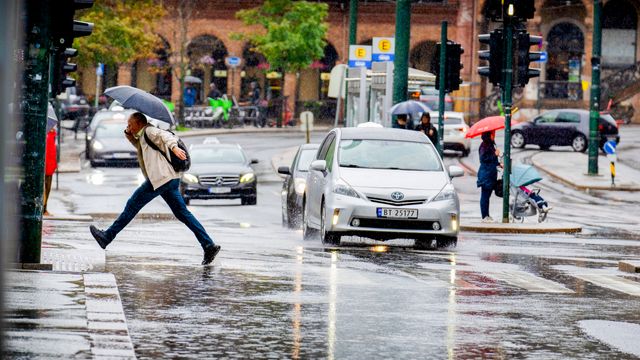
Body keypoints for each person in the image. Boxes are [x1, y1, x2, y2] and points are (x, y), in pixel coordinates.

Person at [89, 112, 221, 265]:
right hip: (170, 179)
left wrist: (175, 148)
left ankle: (107, 237)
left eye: (130, 124)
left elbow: (166, 137)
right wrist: (129, 134)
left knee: (132, 205)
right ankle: (208, 245)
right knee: (183, 214)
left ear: (139, 123)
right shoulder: (144, 135)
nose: (128, 126)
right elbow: (140, 146)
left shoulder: (150, 131)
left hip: (160, 179)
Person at [477, 131, 501, 223]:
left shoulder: (490, 145)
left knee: (487, 196)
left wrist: (499, 164)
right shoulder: (484, 146)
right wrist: (494, 154)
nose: (494, 135)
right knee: (485, 196)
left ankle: (487, 215)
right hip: (486, 174)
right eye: (492, 134)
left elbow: (491, 160)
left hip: (490, 174)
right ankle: (484, 216)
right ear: (488, 135)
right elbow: (483, 159)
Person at [43, 128, 57, 216]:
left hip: (49, 165)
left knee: (47, 188)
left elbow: (53, 151)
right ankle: (44, 208)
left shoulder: (52, 134)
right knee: (45, 188)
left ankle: (44, 208)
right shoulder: (48, 135)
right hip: (46, 165)